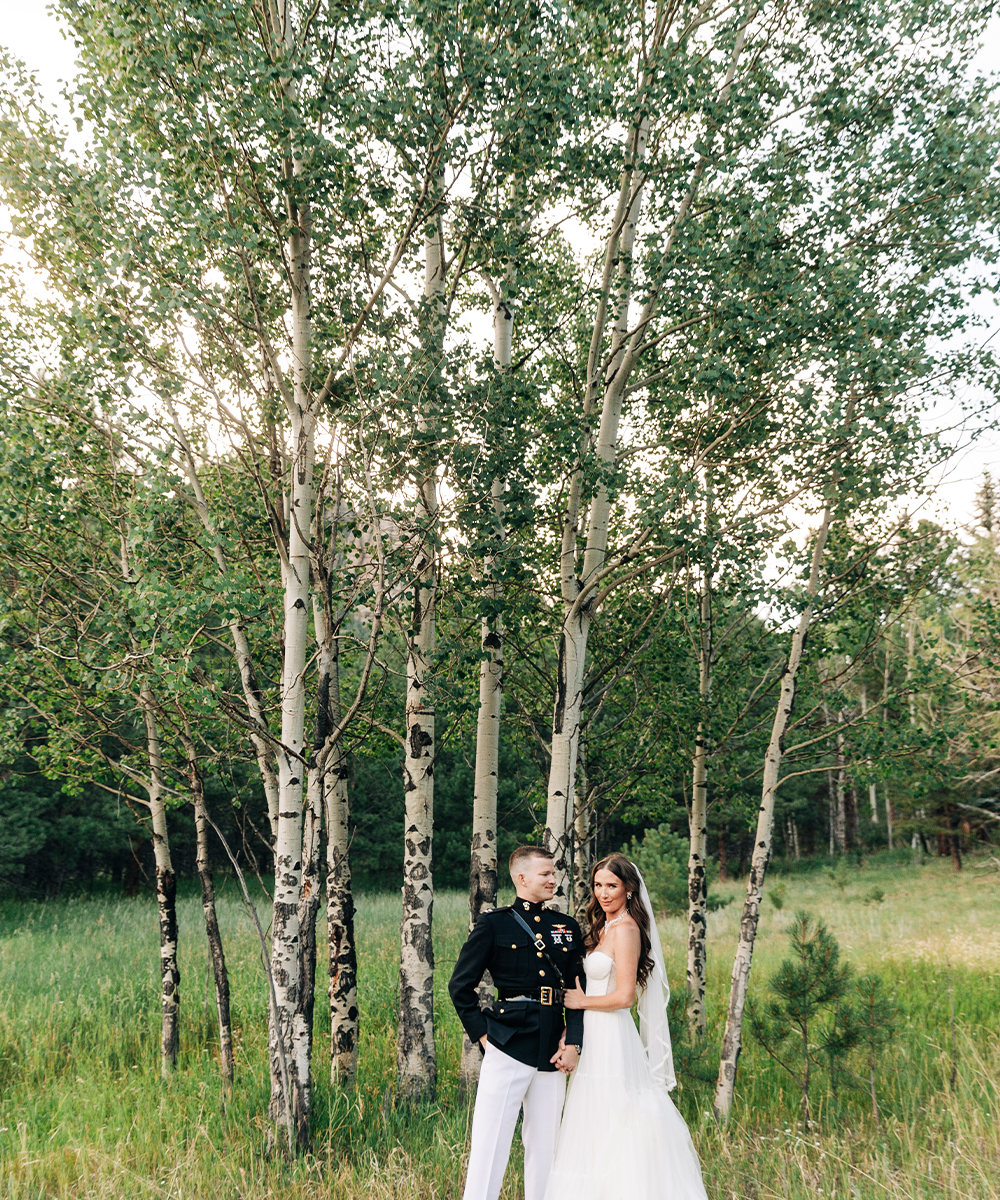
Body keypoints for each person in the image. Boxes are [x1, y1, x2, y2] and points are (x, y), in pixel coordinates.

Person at [543, 853, 709, 1200]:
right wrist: (569, 1032)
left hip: (612, 1034)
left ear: (629, 890)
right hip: (592, 1031)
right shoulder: (603, 927)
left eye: (612, 886)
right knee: (590, 1121)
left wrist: (581, 1002)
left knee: (614, 1113)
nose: (603, 893)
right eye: (598, 885)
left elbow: (625, 996)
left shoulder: (627, 930)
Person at [449, 845, 587, 1200]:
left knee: (546, 1147)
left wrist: (573, 1041)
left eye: (554, 873)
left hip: (552, 1046)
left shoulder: (567, 927)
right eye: (545, 874)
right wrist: (483, 1036)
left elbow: (576, 991)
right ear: (521, 877)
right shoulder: (495, 923)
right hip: (508, 1039)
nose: (553, 879)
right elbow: (460, 985)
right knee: (490, 1142)